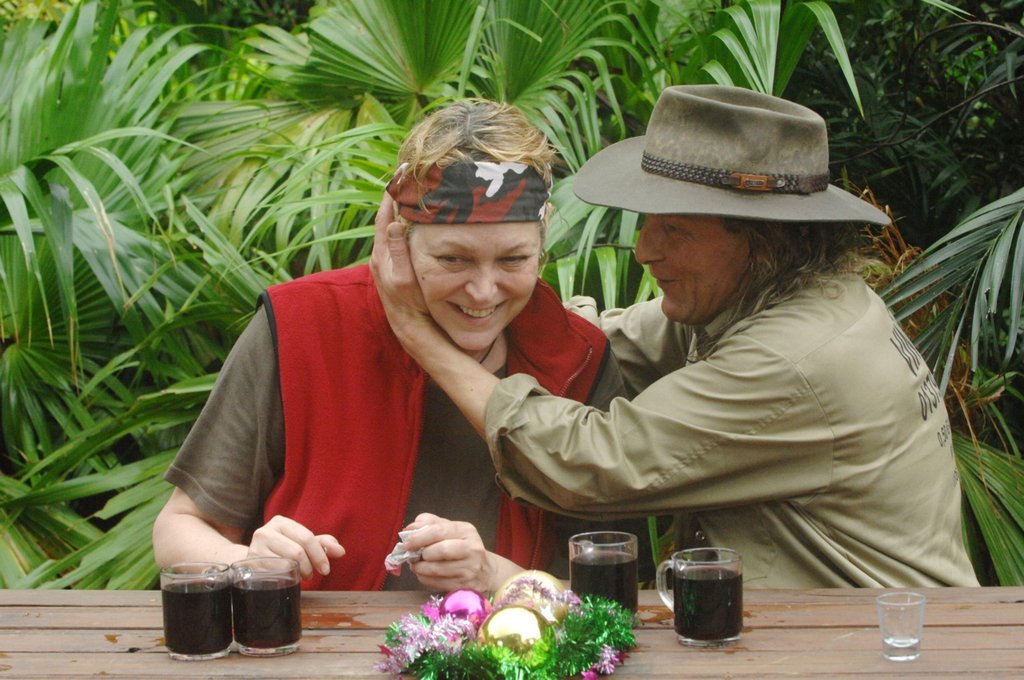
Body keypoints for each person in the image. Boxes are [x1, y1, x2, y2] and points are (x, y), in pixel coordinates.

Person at [371, 85, 980, 588]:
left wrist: (419, 331)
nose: (644, 250)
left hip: (880, 647)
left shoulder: (794, 359)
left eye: (676, 231)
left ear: (764, 239)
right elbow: (601, 344)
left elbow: (592, 465)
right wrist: (495, 305)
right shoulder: (774, 298)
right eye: (648, 223)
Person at [152, 99, 644, 593]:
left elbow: (613, 587)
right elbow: (179, 528)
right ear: (398, 238)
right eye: (453, 260)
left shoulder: (578, 358)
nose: (483, 291)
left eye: (513, 260)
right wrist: (251, 563)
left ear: (543, 240)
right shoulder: (302, 325)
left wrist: (494, 575)